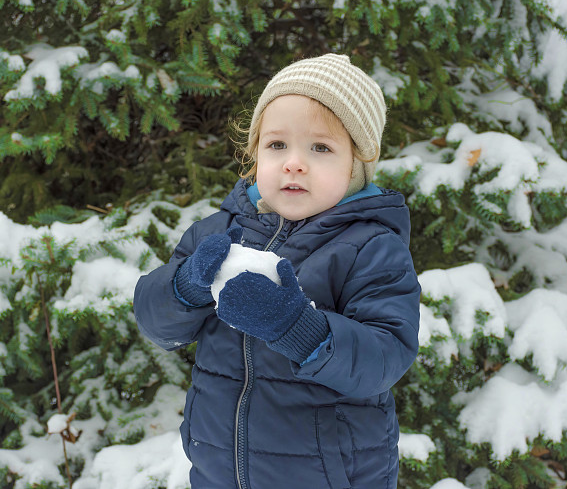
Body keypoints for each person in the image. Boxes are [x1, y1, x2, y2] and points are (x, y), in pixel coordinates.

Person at [133, 53, 421, 489]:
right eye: (277, 145)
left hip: (327, 476)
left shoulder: (371, 248)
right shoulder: (220, 232)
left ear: (357, 165)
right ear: (255, 153)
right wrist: (186, 285)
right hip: (218, 470)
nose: (294, 163)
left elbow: (385, 357)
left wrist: (299, 327)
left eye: (320, 148)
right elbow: (157, 324)